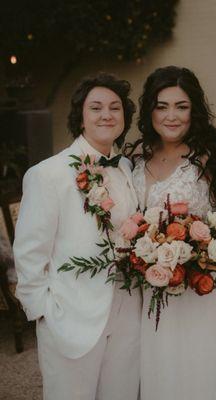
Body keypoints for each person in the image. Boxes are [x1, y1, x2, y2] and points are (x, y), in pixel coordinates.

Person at [130, 66, 216, 400]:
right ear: (150, 112)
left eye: (181, 106)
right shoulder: (137, 160)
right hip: (157, 282)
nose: (171, 116)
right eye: (162, 106)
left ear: (194, 111)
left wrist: (203, 254)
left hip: (208, 285)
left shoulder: (215, 157)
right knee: (159, 368)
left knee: (200, 371)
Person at [14, 73, 141, 400]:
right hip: (70, 317)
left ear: (124, 117)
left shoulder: (126, 167)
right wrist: (44, 312)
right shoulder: (48, 174)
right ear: (80, 117)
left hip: (127, 311)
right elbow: (29, 253)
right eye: (96, 107)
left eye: (115, 107)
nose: (106, 114)